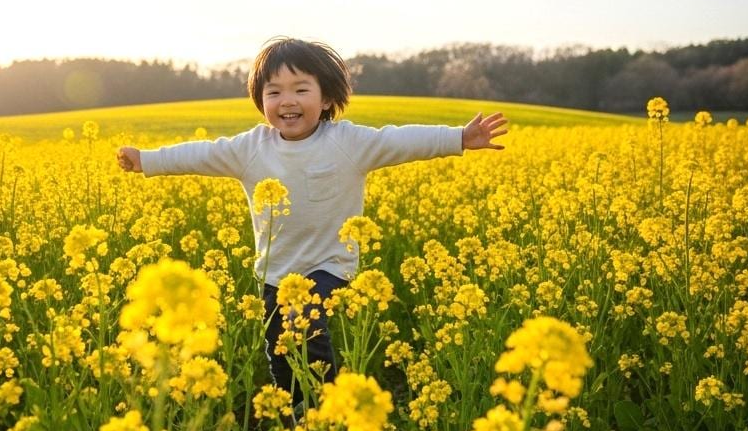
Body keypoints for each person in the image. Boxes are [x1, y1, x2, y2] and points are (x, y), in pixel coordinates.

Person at [117, 37, 507, 407]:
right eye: (274, 92)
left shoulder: (348, 142)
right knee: (281, 348)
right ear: (260, 101)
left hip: (330, 266)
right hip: (275, 273)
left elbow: (399, 141)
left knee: (303, 322)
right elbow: (200, 155)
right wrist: (147, 160)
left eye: (301, 89)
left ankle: (328, 406)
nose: (287, 100)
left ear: (327, 100)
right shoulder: (249, 149)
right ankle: (292, 412)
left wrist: (458, 137)